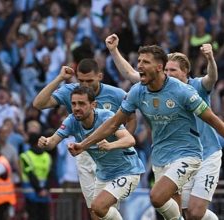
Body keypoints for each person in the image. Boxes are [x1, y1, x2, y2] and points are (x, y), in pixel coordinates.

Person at [69, 45, 224, 220]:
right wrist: (83, 145)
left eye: (145, 62)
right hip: (160, 156)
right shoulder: (138, 91)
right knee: (179, 211)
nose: (140, 65)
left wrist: (210, 57)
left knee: (158, 197)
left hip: (188, 154)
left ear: (159, 67)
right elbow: (113, 124)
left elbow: (211, 118)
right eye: (139, 61)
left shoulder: (183, 90)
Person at [32, 58, 136, 211]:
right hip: (85, 153)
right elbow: (39, 104)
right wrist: (60, 78)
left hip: (111, 152)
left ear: (99, 77)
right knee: (95, 209)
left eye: (89, 81)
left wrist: (120, 144)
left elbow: (131, 118)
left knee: (108, 206)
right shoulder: (71, 92)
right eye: (81, 81)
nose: (85, 85)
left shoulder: (117, 94)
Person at [38, 86, 144, 219]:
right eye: (74, 103)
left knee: (99, 206)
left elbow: (129, 140)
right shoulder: (71, 121)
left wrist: (110, 145)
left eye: (81, 103)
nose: (76, 108)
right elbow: (52, 142)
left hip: (127, 171)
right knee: (97, 214)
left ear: (93, 105)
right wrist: (45, 142)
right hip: (103, 175)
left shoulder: (107, 116)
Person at [19, 133, 52, 220]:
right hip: (40, 194)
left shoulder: (25, 156)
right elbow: (50, 176)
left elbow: (31, 174)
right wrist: (44, 189)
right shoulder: (47, 156)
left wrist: (40, 190)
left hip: (34, 193)